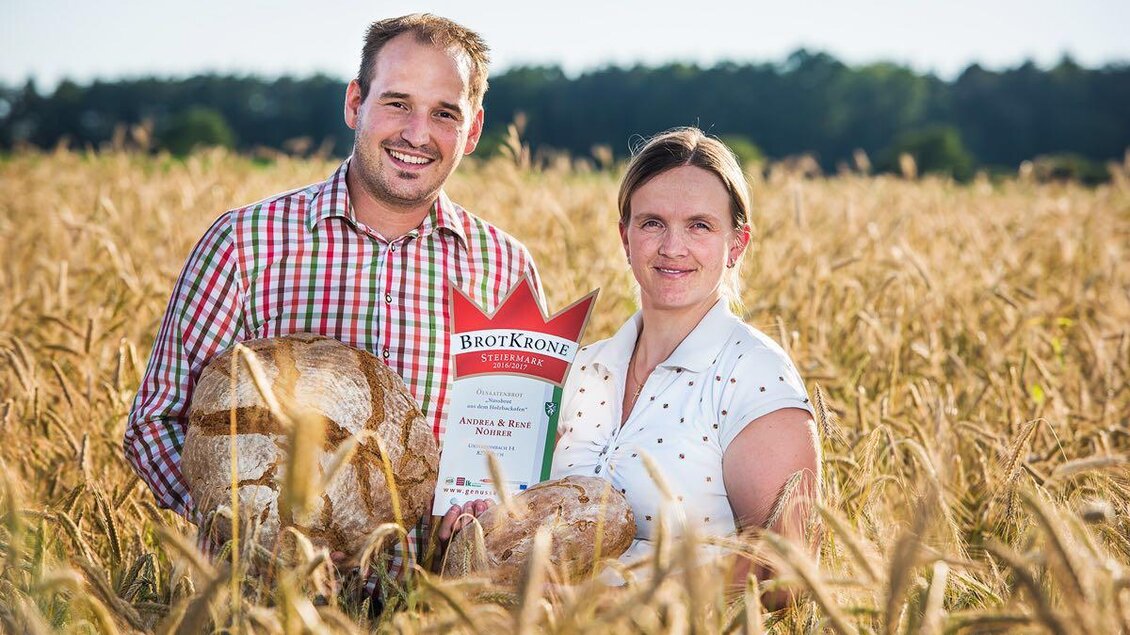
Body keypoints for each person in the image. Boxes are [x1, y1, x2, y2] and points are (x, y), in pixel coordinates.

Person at [124, 13, 537, 582]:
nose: (417, 134)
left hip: (432, 605)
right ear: (354, 104)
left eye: (445, 113)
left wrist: (491, 521)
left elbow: (520, 458)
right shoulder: (245, 244)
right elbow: (156, 422)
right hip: (263, 607)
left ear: (473, 130)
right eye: (397, 103)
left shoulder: (507, 269)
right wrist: (256, 532)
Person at [551, 127, 820, 603]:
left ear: (736, 244)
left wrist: (618, 609)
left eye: (700, 225)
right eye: (652, 223)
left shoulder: (754, 376)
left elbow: (785, 570)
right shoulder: (580, 369)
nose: (672, 247)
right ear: (625, 237)